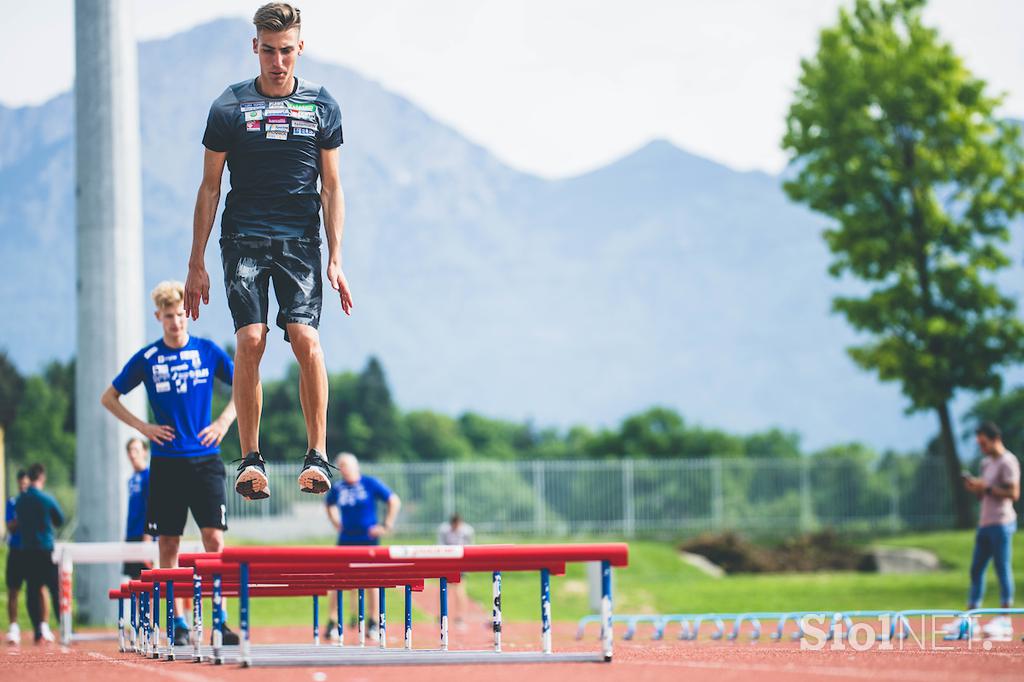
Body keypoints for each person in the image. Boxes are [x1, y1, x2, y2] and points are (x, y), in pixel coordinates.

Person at [183, 1, 352, 501]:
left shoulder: (321, 105)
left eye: (286, 51)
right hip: (243, 240)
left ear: (300, 47)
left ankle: (316, 456)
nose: (278, 62)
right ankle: (251, 459)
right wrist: (196, 262)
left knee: (305, 339)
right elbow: (209, 187)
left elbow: (332, 186)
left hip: (301, 241)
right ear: (254, 47)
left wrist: (336, 257)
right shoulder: (229, 108)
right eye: (269, 51)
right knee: (251, 340)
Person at [100, 281, 239, 646]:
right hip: (166, 463)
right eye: (169, 317)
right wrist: (143, 427)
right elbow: (109, 397)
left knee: (214, 540)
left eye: (180, 315)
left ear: (187, 315)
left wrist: (224, 422)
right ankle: (176, 622)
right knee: (168, 545)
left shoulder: (208, 351)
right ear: (158, 317)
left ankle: (220, 619)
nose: (176, 322)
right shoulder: (148, 358)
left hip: (206, 459)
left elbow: (246, 382)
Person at [323, 453, 400, 641]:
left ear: (355, 466)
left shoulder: (370, 483)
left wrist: (386, 525)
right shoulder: (338, 487)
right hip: (346, 539)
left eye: (346, 466)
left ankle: (373, 622)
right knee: (337, 581)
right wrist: (335, 522)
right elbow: (329, 504)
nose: (343, 469)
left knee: (372, 581)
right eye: (340, 466)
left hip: (368, 540)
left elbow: (393, 500)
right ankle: (333, 622)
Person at [957, 422, 1020, 640]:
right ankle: (971, 617)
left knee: (1002, 568)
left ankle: (1005, 618)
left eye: (984, 443)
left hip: (1002, 522)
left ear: (995, 438)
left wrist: (987, 488)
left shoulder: (1008, 461)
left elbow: (1013, 493)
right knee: (976, 569)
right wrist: (976, 487)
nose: (981, 448)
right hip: (984, 522)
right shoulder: (986, 463)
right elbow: (984, 492)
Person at [14, 464, 63, 644]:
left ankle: (37, 630)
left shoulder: (21, 500)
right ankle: (64, 628)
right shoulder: (46, 499)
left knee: (32, 591)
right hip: (45, 549)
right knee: (55, 589)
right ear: (42, 477)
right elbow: (59, 519)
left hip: (27, 550)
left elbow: (18, 520)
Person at [122, 438, 155, 580]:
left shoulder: (149, 476)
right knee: (134, 582)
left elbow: (152, 506)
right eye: (130, 450)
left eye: (136, 450)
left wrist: (148, 536)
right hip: (132, 535)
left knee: (148, 580)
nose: (132, 454)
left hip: (145, 535)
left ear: (145, 452)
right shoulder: (131, 478)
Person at [5, 470, 31, 644]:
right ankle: (14, 627)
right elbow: (10, 526)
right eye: (21, 484)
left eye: (26, 484)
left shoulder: (34, 502)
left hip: (32, 551)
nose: (23, 487)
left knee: (38, 589)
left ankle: (41, 627)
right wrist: (22, 517)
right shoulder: (13, 502)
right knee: (13, 590)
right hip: (15, 550)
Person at [437, 513, 475, 630]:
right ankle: (443, 614)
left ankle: (460, 616)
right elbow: (440, 545)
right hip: (447, 561)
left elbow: (470, 546)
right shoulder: (444, 530)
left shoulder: (467, 530)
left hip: (460, 562)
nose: (455, 527)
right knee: (445, 589)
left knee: (459, 589)